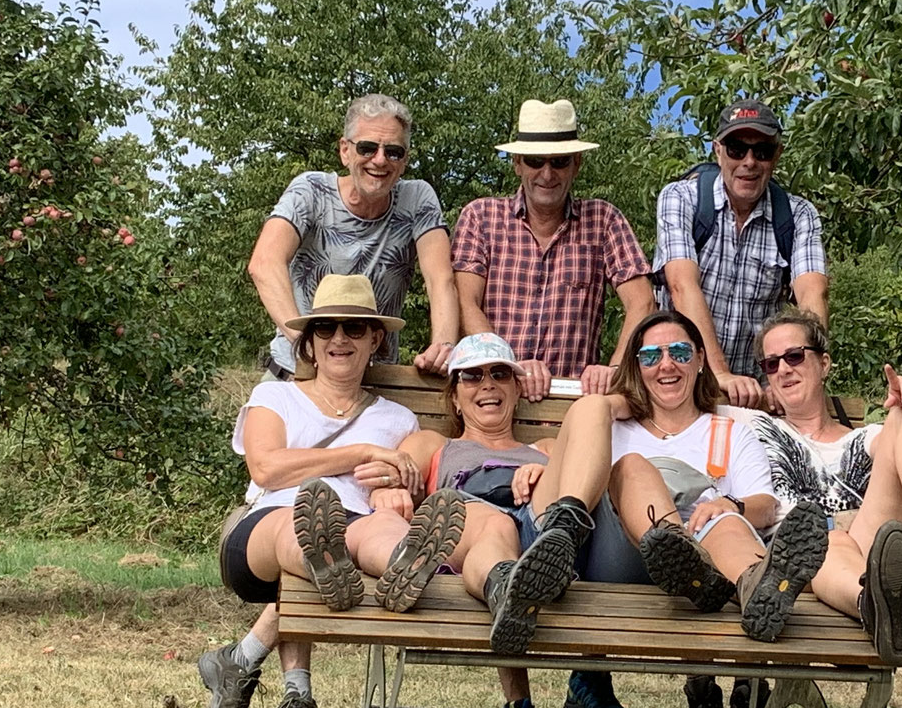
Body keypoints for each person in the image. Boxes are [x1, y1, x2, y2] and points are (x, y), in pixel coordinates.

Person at [490, 309, 830, 708]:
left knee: (726, 520)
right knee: (633, 467)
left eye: (679, 353)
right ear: (636, 367)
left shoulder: (730, 431)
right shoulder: (614, 427)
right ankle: (675, 548)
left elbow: (764, 505)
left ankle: (757, 589)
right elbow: (565, 454)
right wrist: (616, 402)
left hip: (706, 563)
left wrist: (730, 504)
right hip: (619, 555)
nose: (666, 365)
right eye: (650, 356)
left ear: (701, 359)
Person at [233, 93, 463, 678]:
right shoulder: (310, 192)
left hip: (371, 370)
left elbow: (440, 276)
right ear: (345, 150)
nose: (380, 159)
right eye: (368, 147)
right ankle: (295, 682)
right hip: (301, 367)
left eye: (394, 151)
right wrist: (302, 335)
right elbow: (265, 263)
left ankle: (403, 562)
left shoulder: (417, 199)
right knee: (301, 508)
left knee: (353, 510)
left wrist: (443, 344)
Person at [200, 274, 453, 708]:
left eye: (354, 328)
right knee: (303, 525)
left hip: (356, 523)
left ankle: (406, 561)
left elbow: (415, 465)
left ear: (375, 340)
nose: (339, 338)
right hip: (267, 527)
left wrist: (396, 488)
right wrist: (361, 453)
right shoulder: (275, 397)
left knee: (379, 529)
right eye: (325, 328)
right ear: (310, 343)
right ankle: (326, 560)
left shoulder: (397, 418)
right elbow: (266, 468)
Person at [372, 332, 584, 708]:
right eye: (472, 376)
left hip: (537, 532)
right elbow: (388, 477)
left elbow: (584, 485)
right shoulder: (436, 446)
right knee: (493, 526)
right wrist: (389, 494)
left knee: (508, 532)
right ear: (454, 397)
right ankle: (510, 590)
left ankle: (511, 592)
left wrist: (544, 475)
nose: (487, 384)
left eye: (500, 373)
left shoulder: (546, 449)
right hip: (469, 530)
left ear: (517, 389)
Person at [746, 309, 902, 662]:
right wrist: (723, 382)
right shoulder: (753, 428)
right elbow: (678, 403)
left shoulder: (863, 437)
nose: (783, 369)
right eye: (771, 363)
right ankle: (879, 608)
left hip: (876, 549)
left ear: (824, 364)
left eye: (794, 356)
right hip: (798, 561)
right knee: (830, 540)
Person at [450, 98, 656, 400]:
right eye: (536, 161)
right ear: (517, 163)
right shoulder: (481, 217)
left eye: (558, 162)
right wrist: (507, 366)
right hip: (493, 395)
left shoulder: (603, 220)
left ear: (576, 164)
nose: (547, 174)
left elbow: (643, 302)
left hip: (573, 401)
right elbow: (465, 303)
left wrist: (614, 369)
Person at [654, 98, 826, 408]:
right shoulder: (680, 198)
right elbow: (681, 285)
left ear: (777, 155)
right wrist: (719, 373)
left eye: (762, 151)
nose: (749, 162)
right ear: (717, 150)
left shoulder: (799, 215)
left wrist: (799, 375)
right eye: (737, 149)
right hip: (680, 384)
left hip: (755, 395)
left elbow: (812, 296)